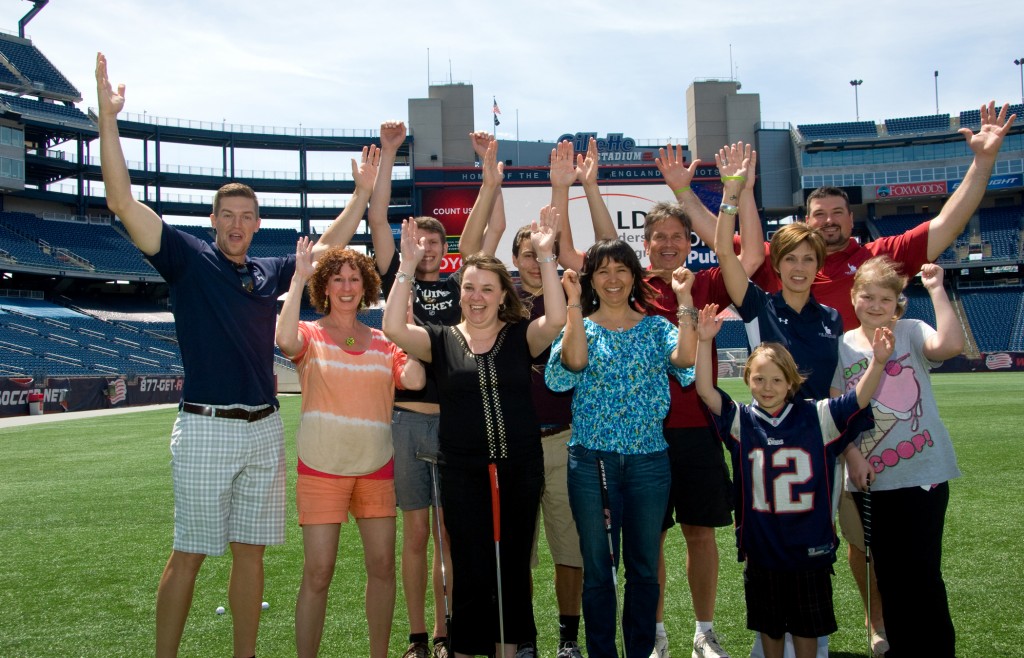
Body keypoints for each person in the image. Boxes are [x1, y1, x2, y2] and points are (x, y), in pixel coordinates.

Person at [683, 102, 1015, 649]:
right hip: (771, 441)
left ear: (847, 224)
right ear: (800, 231)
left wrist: (982, 162)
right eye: (818, 216)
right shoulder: (764, 294)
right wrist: (733, 192)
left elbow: (946, 225)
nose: (827, 225)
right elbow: (725, 248)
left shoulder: (856, 289)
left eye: (838, 213)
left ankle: (876, 627)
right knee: (777, 539)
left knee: (860, 543)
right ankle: (789, 634)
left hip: (840, 439)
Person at [95, 52, 379, 658]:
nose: (236, 225)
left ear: (256, 224)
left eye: (246, 217)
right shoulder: (187, 258)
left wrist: (359, 196)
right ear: (214, 219)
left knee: (251, 554)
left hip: (263, 427)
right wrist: (108, 118)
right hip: (205, 425)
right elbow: (122, 202)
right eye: (227, 216)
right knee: (190, 551)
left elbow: (326, 246)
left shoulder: (267, 271)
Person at [384, 207, 567, 658]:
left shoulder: (522, 334)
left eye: (487, 288)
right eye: (469, 288)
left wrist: (545, 256)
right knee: (469, 569)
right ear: (459, 292)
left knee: (511, 569)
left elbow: (558, 320)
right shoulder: (441, 339)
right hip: (463, 474)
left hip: (519, 470)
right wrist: (406, 265)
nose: (477, 296)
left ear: (503, 293)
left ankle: (510, 649)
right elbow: (391, 326)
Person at [694, 305, 893, 658]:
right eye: (758, 379)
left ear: (791, 382)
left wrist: (878, 364)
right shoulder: (741, 419)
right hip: (762, 548)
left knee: (807, 629)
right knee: (769, 626)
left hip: (809, 548)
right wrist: (703, 341)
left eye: (775, 380)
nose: (766, 387)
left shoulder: (817, 416)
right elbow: (706, 391)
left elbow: (857, 399)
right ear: (747, 380)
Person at [545, 239, 698, 658]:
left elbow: (685, 360)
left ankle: (640, 650)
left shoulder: (656, 328)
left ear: (634, 276)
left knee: (644, 567)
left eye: (621, 270)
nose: (612, 280)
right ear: (592, 279)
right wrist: (574, 303)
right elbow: (573, 364)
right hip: (592, 461)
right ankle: (600, 653)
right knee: (598, 569)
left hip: (649, 459)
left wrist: (684, 300)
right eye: (602, 271)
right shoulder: (581, 325)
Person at [276, 240, 426, 658]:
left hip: (376, 467)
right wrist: (297, 276)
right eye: (338, 279)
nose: (346, 287)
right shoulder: (310, 333)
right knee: (318, 572)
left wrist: (410, 336)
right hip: (321, 467)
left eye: (354, 279)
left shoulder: (383, 340)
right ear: (324, 286)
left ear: (366, 287)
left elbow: (413, 381)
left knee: (381, 568)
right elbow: (285, 340)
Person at [466, 137, 584, 658]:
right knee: (514, 554)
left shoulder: (571, 294)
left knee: (569, 549)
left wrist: (560, 193)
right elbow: (472, 250)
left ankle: (567, 639)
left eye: (545, 252)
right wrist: (490, 180)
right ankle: (525, 637)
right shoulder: (496, 304)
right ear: (514, 261)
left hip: (562, 440)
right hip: (510, 446)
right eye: (528, 255)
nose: (537, 263)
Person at [831, 258, 964, 658]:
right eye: (867, 296)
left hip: (924, 474)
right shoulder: (841, 346)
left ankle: (938, 650)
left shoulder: (909, 331)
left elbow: (951, 345)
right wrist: (852, 454)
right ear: (853, 297)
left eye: (885, 299)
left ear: (897, 303)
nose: (875, 305)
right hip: (873, 481)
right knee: (888, 577)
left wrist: (937, 288)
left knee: (923, 573)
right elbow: (836, 411)